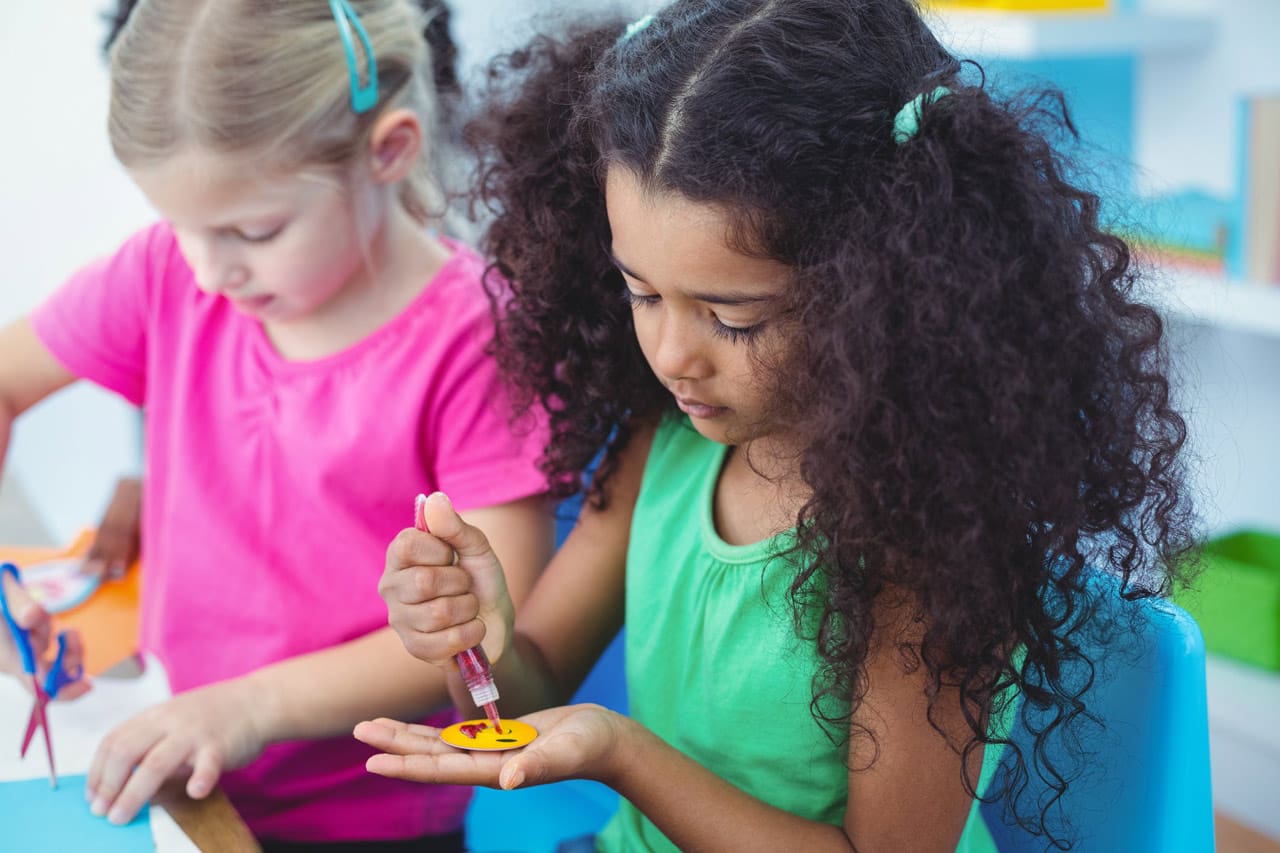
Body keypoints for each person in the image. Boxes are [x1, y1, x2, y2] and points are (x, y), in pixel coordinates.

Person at [355, 1, 1198, 850]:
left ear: (883, 289)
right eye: (640, 293)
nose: (673, 353)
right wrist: (477, 641)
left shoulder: (924, 547)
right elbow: (524, 705)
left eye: (734, 318)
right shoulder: (667, 447)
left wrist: (621, 753)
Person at [0, 0, 553, 849]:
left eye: (252, 230)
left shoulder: (475, 337)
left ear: (389, 152)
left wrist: (247, 706)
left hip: (371, 817)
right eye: (181, 226)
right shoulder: (165, 273)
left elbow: (482, 630)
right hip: (171, 784)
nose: (210, 269)